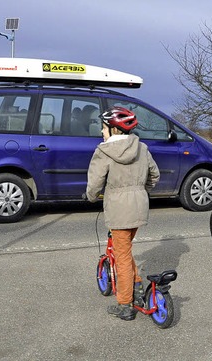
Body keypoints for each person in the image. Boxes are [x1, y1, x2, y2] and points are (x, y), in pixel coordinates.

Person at [85, 106, 160, 320]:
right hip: (138, 207)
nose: (102, 132)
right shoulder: (142, 148)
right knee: (125, 251)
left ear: (114, 130)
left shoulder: (104, 151)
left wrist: (90, 196)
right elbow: (154, 175)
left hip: (118, 211)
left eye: (104, 128)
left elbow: (95, 182)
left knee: (122, 257)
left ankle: (125, 304)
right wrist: (140, 192)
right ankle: (136, 287)